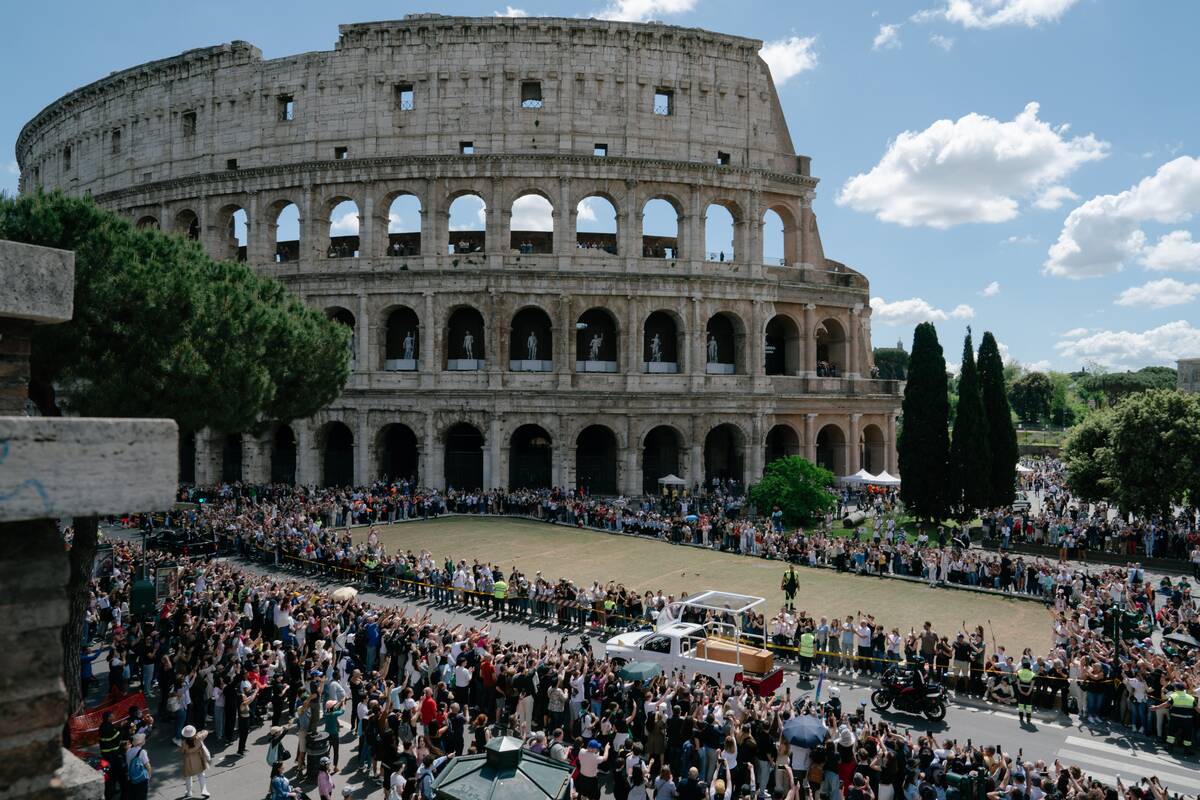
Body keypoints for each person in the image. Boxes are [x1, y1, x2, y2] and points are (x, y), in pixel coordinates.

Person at [178, 724, 211, 798]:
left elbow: (182, 751)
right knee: (201, 774)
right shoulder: (199, 738)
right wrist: (199, 733)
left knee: (188, 777)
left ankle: (189, 792)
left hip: (188, 760)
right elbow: (206, 732)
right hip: (198, 758)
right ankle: (204, 790)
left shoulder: (184, 743)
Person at [126, 733, 152, 800]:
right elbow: (148, 766)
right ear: (142, 742)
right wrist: (149, 776)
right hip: (141, 779)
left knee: (134, 796)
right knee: (142, 796)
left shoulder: (128, 751)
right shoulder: (142, 752)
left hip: (131, 777)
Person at [1015, 659, 1036, 725]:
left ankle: (1021, 717)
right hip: (1029, 691)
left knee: (1021, 704)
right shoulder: (1033, 674)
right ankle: (1028, 718)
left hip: (1021, 690)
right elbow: (1032, 685)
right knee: (1029, 705)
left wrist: (1021, 691)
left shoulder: (1019, 672)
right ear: (1029, 666)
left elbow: (1018, 683)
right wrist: (1028, 692)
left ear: (1023, 666)